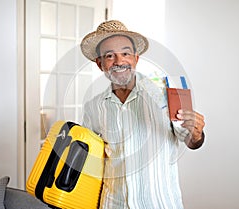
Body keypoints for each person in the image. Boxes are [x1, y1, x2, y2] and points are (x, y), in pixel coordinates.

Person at [80, 20, 205, 209]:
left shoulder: (166, 93)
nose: (119, 61)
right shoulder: (93, 107)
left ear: (136, 59)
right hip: (113, 204)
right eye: (109, 56)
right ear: (100, 64)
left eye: (125, 53)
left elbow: (191, 141)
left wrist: (196, 133)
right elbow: (93, 161)